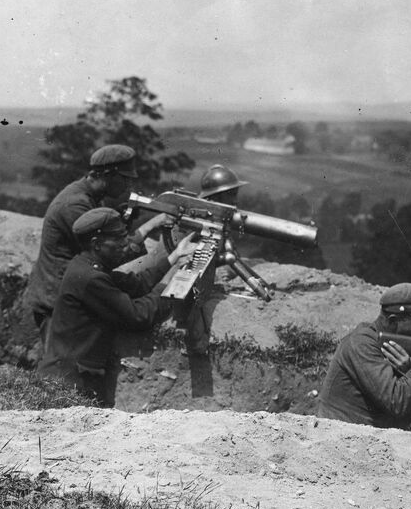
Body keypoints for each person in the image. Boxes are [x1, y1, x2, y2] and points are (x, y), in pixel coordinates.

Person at [36, 207, 198, 408]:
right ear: (96, 244)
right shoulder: (91, 279)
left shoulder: (88, 266)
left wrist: (174, 258)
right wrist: (170, 283)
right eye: (119, 239)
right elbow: (139, 315)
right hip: (67, 384)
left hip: (73, 376)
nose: (125, 244)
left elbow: (137, 284)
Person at [23, 144, 170, 347]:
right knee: (60, 367)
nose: (128, 185)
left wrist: (121, 219)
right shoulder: (75, 204)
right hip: (57, 301)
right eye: (125, 178)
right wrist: (150, 226)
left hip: (69, 291)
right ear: (107, 175)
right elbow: (110, 253)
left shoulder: (87, 196)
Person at [316, 282, 411, 428]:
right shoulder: (361, 344)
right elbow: (396, 403)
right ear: (394, 320)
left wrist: (404, 373)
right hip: (338, 434)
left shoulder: (373, 340)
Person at [173, 164, 249, 357]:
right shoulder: (195, 219)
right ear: (215, 197)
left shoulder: (214, 217)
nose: (235, 200)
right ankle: (194, 341)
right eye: (230, 195)